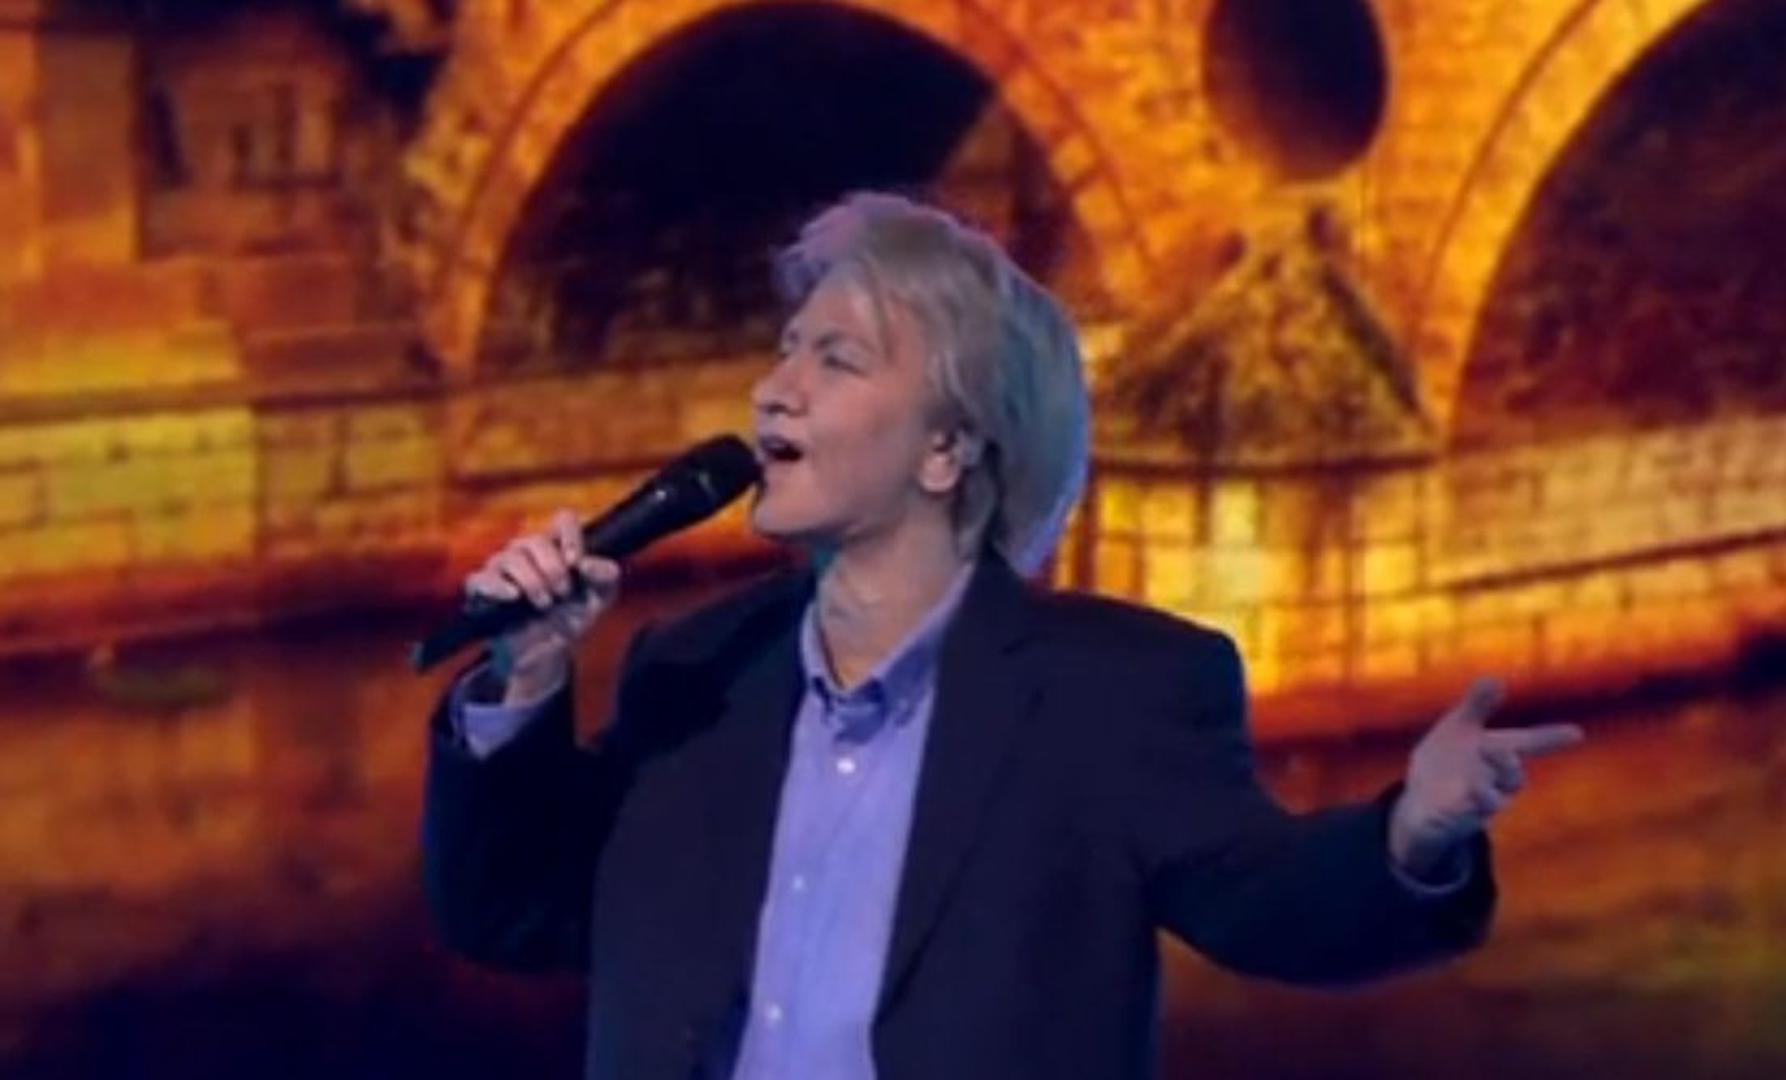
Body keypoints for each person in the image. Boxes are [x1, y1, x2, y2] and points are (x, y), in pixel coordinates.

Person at [421, 192, 1584, 1079]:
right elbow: (511, 912)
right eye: (786, 349)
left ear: (947, 449)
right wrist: (525, 680)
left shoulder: (1113, 694)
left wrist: (1413, 834)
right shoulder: (696, 672)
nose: (775, 390)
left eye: (836, 359)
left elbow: (1269, 901)